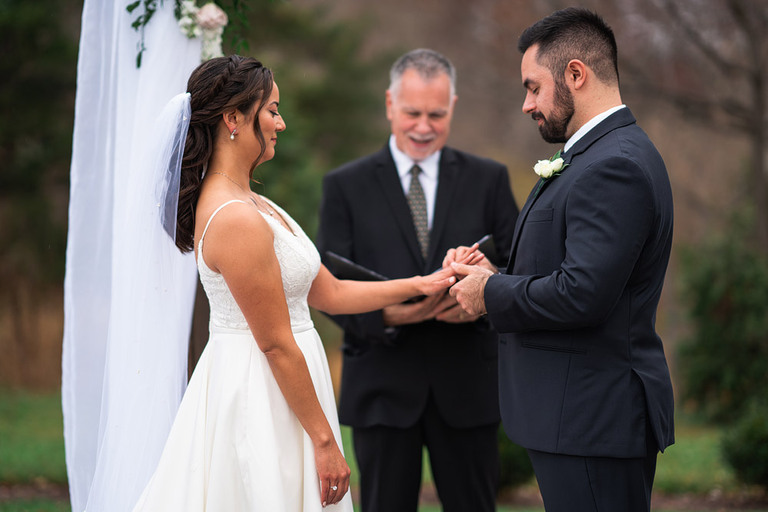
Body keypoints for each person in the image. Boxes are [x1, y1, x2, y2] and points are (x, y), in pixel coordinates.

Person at [132, 55, 470, 512]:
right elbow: (274, 343)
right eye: (271, 110)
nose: (281, 123)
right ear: (233, 118)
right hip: (261, 392)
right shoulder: (235, 219)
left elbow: (330, 292)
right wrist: (325, 440)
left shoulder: (253, 202)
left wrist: (421, 283)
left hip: (286, 386)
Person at [448, 8, 675, 512]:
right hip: (577, 420)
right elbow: (573, 274)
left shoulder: (614, 165)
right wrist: (494, 276)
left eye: (533, 87)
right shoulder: (593, 157)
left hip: (593, 421)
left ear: (576, 74)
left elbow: (584, 295)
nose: (527, 104)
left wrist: (489, 294)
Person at [316, 48, 519, 512]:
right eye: (412, 112)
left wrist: (481, 299)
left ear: (453, 107)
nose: (423, 126)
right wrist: (389, 315)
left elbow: (521, 268)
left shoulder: (488, 179)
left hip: (468, 386)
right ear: (390, 104)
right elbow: (325, 284)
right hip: (382, 388)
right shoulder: (344, 185)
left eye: (436, 114)